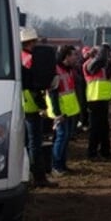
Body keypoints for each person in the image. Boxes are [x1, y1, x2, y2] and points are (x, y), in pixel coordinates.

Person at [19, 27, 51, 187]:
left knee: (24, 142)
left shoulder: (18, 57)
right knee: (35, 143)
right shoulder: (31, 60)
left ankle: (24, 175)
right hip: (31, 104)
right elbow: (36, 85)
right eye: (35, 41)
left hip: (22, 104)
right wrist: (42, 106)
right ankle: (38, 177)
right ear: (30, 43)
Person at [47, 45, 81, 175]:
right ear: (66, 56)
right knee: (61, 137)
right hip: (60, 112)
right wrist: (57, 113)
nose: (76, 58)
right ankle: (56, 166)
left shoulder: (68, 70)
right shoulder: (56, 70)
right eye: (73, 55)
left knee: (65, 138)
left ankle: (62, 165)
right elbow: (53, 94)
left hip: (68, 110)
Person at [81, 44, 111, 160]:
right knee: (95, 128)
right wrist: (101, 52)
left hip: (103, 99)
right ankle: (91, 153)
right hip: (94, 99)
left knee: (104, 127)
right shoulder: (88, 64)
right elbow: (95, 66)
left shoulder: (104, 65)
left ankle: (105, 151)